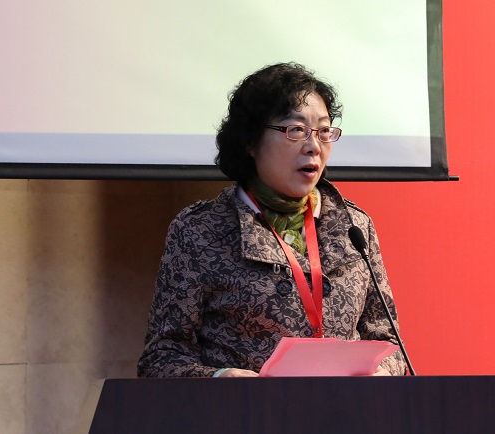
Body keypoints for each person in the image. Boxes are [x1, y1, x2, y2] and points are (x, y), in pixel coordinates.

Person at [137, 62, 407, 378]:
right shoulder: (200, 230)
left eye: (324, 131)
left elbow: (389, 342)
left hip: (343, 407)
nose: (314, 147)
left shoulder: (354, 226)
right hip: (247, 408)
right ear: (250, 141)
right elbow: (161, 359)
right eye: (296, 130)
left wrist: (384, 372)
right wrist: (219, 378)